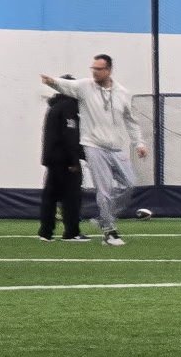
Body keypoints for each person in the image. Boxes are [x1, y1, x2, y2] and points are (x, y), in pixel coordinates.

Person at [40, 53, 146, 247]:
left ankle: (105, 217)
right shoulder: (84, 87)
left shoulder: (122, 92)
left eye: (99, 69)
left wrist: (139, 143)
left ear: (109, 70)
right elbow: (65, 85)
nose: (95, 72)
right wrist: (50, 81)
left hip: (116, 147)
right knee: (104, 191)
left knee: (129, 184)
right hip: (93, 146)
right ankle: (109, 231)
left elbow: (131, 121)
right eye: (93, 69)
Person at [37, 80, 85, 242]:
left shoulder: (53, 107)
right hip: (65, 160)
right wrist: (75, 160)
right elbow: (69, 135)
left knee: (50, 196)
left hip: (52, 159)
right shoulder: (68, 107)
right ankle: (71, 232)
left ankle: (45, 232)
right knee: (71, 196)